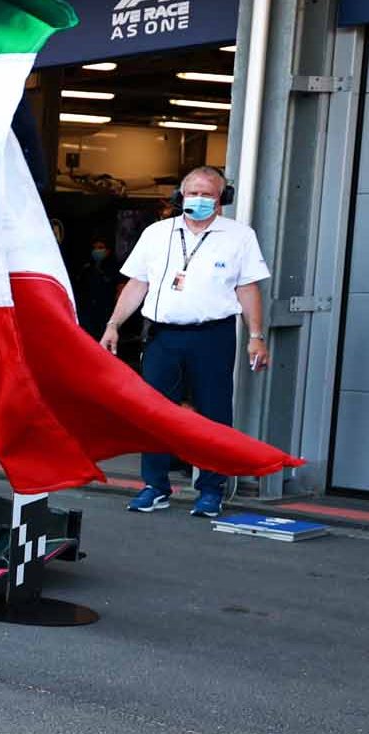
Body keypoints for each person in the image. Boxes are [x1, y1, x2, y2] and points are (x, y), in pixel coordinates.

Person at [101, 165, 270, 518]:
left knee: (213, 413)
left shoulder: (239, 236)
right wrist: (114, 324)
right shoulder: (157, 233)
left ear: (221, 199)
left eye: (207, 194)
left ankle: (210, 489)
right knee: (155, 412)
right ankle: (155, 486)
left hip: (213, 335)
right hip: (163, 335)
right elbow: (137, 284)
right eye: (192, 192)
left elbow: (248, 287)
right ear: (180, 195)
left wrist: (256, 336)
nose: (198, 199)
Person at [72, 238, 123, 340]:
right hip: (88, 314)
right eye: (94, 248)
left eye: (100, 248)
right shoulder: (87, 268)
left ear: (107, 251)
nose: (96, 251)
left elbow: (120, 289)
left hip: (106, 312)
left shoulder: (114, 268)